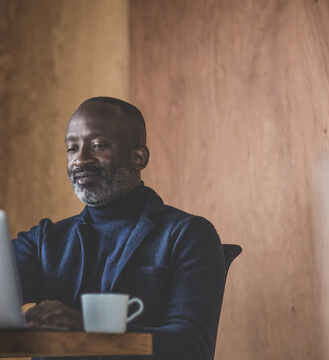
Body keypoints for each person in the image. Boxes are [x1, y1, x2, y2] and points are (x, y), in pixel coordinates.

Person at [12, 97, 227, 360]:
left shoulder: (189, 235)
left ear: (138, 157)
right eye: (71, 148)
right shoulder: (43, 241)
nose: (80, 160)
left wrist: (90, 330)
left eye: (98, 145)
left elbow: (190, 347)